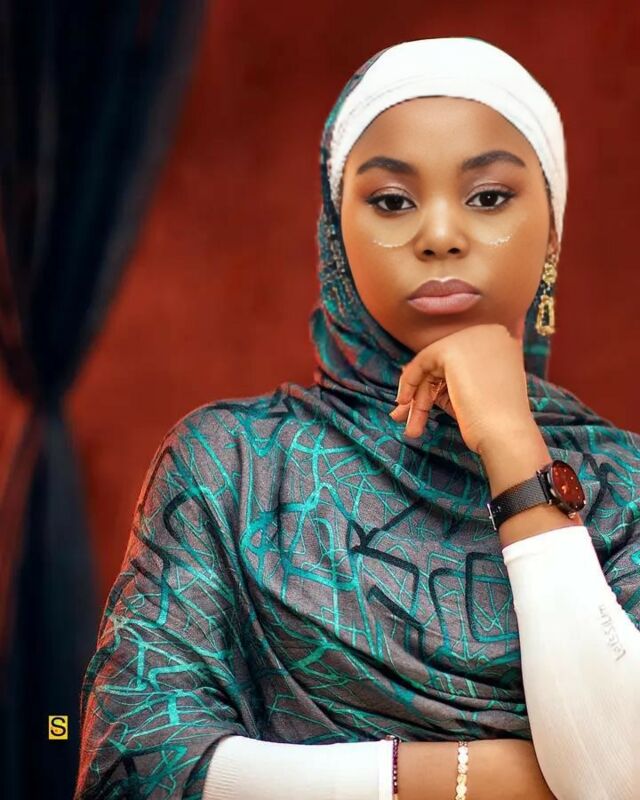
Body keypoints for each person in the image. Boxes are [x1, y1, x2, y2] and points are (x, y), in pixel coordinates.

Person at [74, 37, 640, 800]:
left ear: (552, 234)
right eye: (393, 201)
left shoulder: (626, 484)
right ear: (337, 234)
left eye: (488, 197)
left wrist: (512, 445)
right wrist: (458, 779)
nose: (439, 235)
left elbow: (619, 777)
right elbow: (135, 762)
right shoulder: (232, 466)